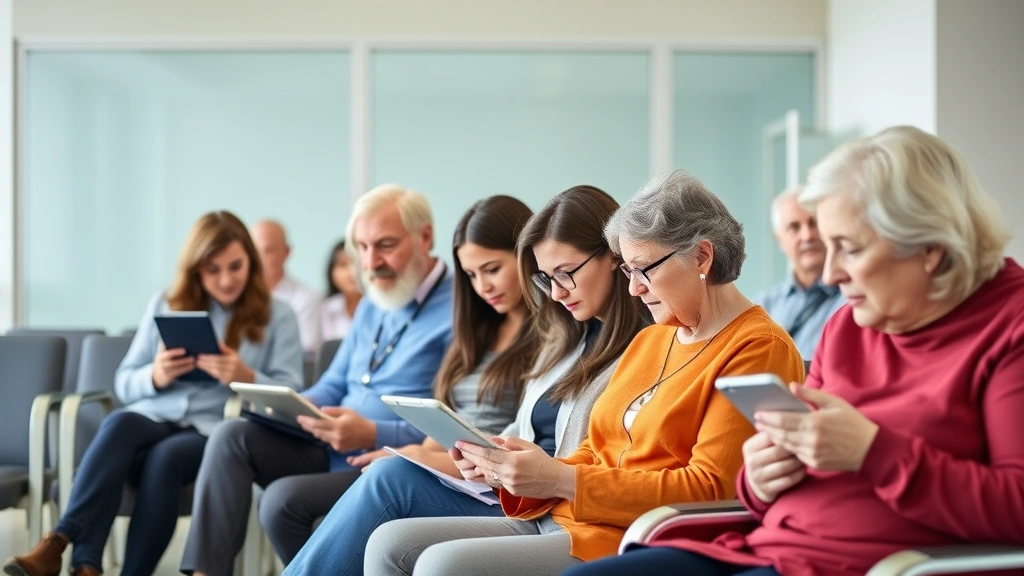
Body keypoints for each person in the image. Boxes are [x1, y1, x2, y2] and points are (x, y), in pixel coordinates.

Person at [567, 127, 1024, 576]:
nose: (831, 272)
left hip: (868, 563)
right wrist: (761, 480)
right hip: (767, 548)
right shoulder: (848, 325)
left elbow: (1016, 507)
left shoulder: (1009, 328)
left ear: (930, 248)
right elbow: (757, 488)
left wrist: (874, 452)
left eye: (848, 248)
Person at [366, 171, 804, 576]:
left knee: (444, 565)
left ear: (701, 256)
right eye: (628, 271)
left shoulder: (757, 347)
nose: (633, 287)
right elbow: (595, 450)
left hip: (630, 535)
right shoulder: (654, 338)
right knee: (390, 542)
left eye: (644, 269)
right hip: (571, 516)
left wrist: (558, 478)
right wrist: (512, 466)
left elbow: (711, 489)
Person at [285, 186, 648, 576]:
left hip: (555, 506)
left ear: (614, 257)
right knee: (362, 506)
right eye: (547, 279)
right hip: (515, 489)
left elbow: (608, 461)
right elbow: (518, 428)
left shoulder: (642, 346)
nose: (557, 293)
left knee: (388, 481)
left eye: (566, 274)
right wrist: (483, 455)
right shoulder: (566, 337)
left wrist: (455, 458)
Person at [4, 211, 303, 576]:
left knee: (165, 461)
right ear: (195, 269)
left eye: (235, 266)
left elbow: (295, 394)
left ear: (251, 263)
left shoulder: (279, 315)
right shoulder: (167, 302)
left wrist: (245, 375)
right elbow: (124, 381)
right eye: (213, 269)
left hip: (212, 427)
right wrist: (156, 376)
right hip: (155, 414)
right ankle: (67, 548)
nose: (226, 280)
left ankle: (90, 563)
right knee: (117, 425)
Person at [180, 184, 454, 576]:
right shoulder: (377, 295)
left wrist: (372, 432)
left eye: (385, 245)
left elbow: (448, 426)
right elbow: (335, 382)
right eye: (361, 247)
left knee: (278, 502)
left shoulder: (460, 308)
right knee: (231, 436)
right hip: (328, 440)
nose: (370, 262)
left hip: (383, 458)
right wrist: (292, 406)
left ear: (425, 236)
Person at [753, 187, 844, 360]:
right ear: (780, 240)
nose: (807, 236)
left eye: (814, 223)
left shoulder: (853, 299)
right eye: (794, 227)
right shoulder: (763, 307)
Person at [251, 220, 323, 354]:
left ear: (286, 252)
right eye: (254, 251)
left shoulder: (306, 299)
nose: (259, 258)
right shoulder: (237, 296)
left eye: (268, 251)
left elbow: (307, 352)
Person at [321, 240, 362, 341]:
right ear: (331, 271)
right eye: (343, 265)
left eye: (357, 264)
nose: (351, 272)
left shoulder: (383, 309)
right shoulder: (324, 308)